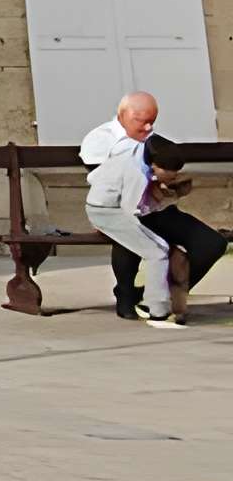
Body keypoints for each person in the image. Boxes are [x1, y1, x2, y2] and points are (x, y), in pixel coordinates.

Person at [97, 111, 229, 319]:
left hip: (162, 213)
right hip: (126, 215)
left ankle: (164, 292)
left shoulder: (156, 147)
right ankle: (125, 293)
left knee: (212, 243)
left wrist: (171, 188)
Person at [83, 92, 191, 325]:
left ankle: (157, 305)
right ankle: (158, 309)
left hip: (107, 205)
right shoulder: (136, 172)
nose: (166, 179)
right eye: (166, 175)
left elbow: (99, 179)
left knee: (158, 248)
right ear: (156, 166)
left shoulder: (137, 156)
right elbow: (131, 209)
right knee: (156, 251)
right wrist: (161, 201)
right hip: (107, 210)